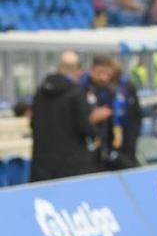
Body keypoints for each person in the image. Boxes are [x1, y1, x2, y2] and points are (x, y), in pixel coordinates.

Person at [30, 50, 109, 182]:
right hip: (71, 166)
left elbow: (33, 123)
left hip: (43, 165)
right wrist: (95, 122)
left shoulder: (40, 92)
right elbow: (85, 129)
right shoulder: (76, 94)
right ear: (77, 70)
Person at [84, 55, 141, 170]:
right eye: (100, 73)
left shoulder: (125, 88)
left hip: (124, 148)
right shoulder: (84, 89)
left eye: (107, 74)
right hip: (94, 153)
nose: (104, 77)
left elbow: (136, 117)